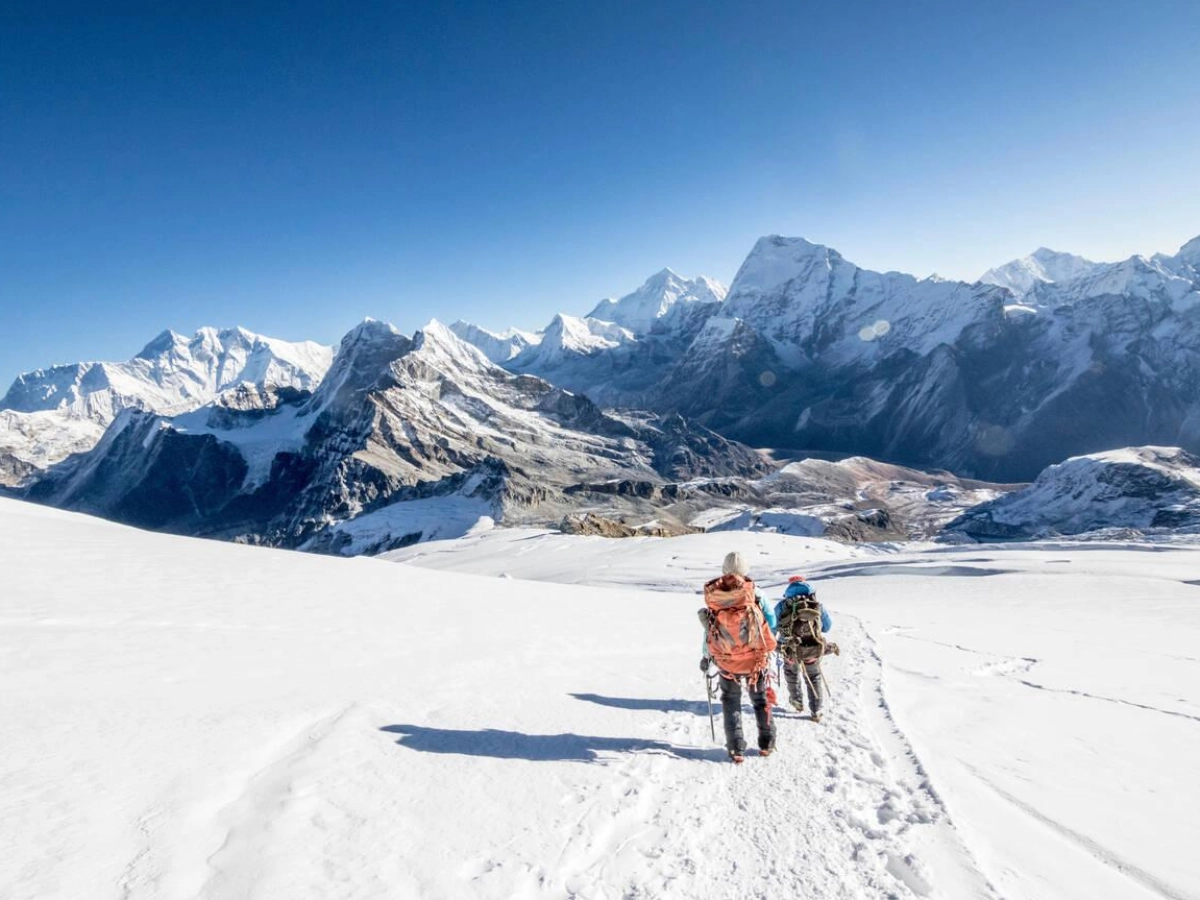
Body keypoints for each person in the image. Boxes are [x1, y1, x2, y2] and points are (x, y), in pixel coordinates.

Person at [700, 551, 777, 762]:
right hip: (756, 659)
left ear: (724, 570)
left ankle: (736, 748)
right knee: (760, 700)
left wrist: (706, 656)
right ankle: (766, 743)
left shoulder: (716, 596)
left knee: (730, 701)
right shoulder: (755, 593)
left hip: (726, 660)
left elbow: (709, 629)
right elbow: (772, 620)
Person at [773, 577, 834, 722]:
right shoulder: (816, 605)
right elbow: (827, 627)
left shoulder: (782, 605)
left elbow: (773, 628)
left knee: (791, 673)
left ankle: (797, 701)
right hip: (813, 648)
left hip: (790, 648)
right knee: (814, 677)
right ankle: (816, 709)